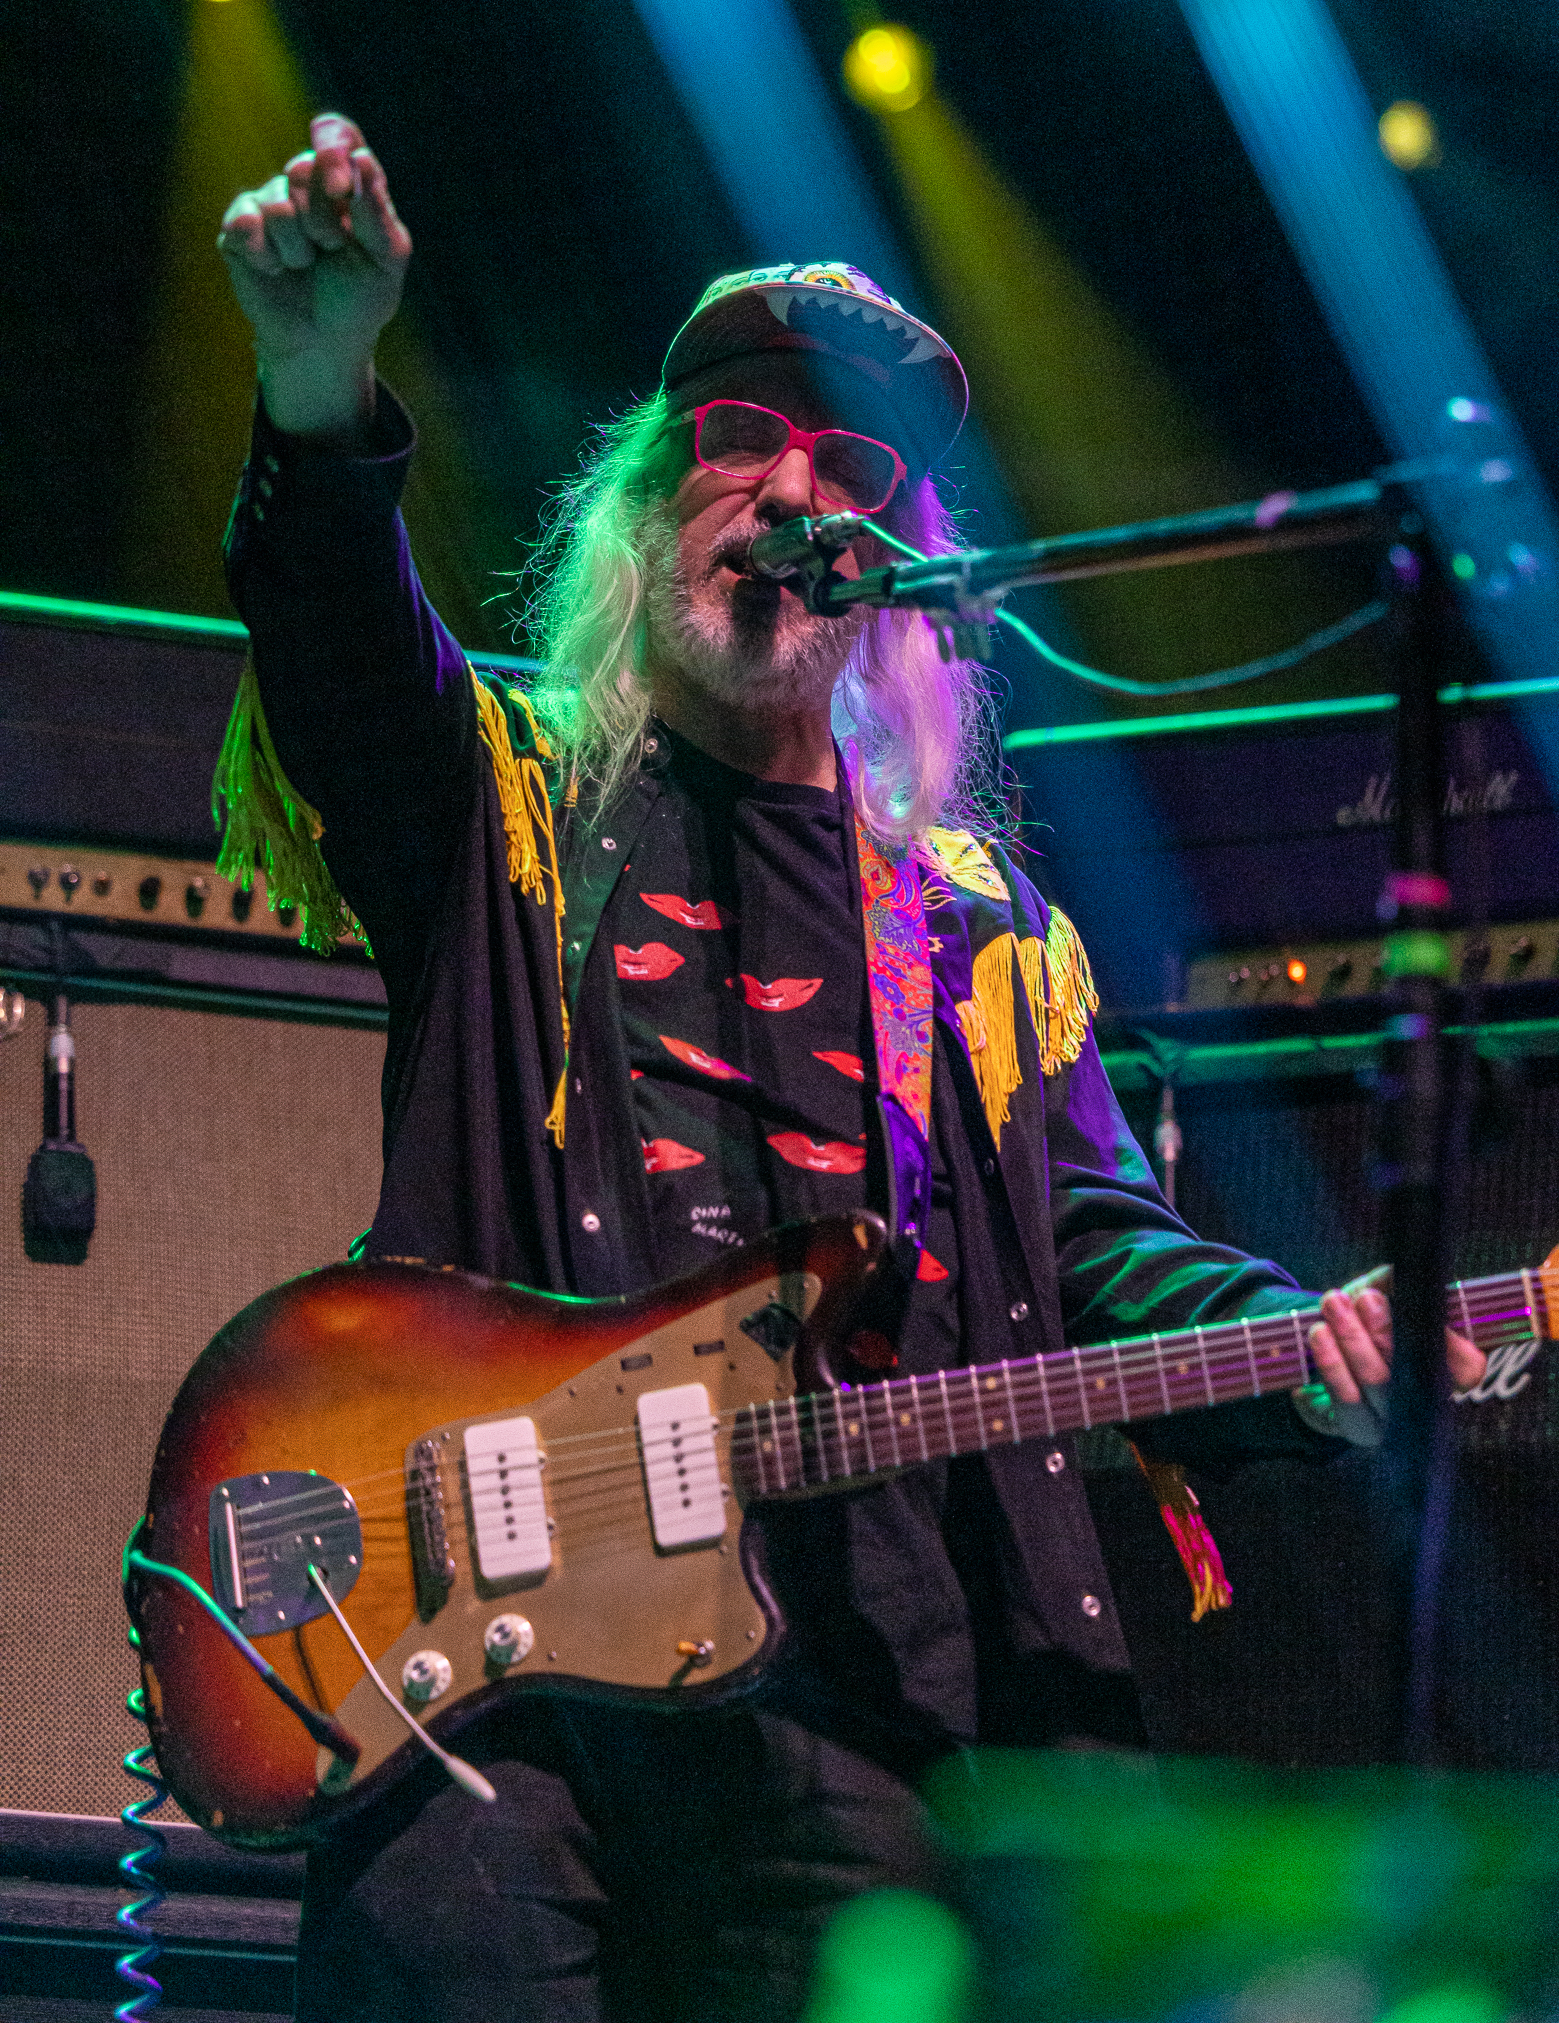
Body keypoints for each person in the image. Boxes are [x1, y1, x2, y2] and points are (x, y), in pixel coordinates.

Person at [213, 112, 1484, 2023]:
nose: (793, 486)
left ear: (895, 566)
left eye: (852, 465)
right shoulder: (505, 803)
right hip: (497, 1690)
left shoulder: (975, 932)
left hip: (861, 1687)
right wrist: (320, 384)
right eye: (742, 436)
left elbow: (1092, 1245)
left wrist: (1309, 1346)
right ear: (653, 494)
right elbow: (333, 647)